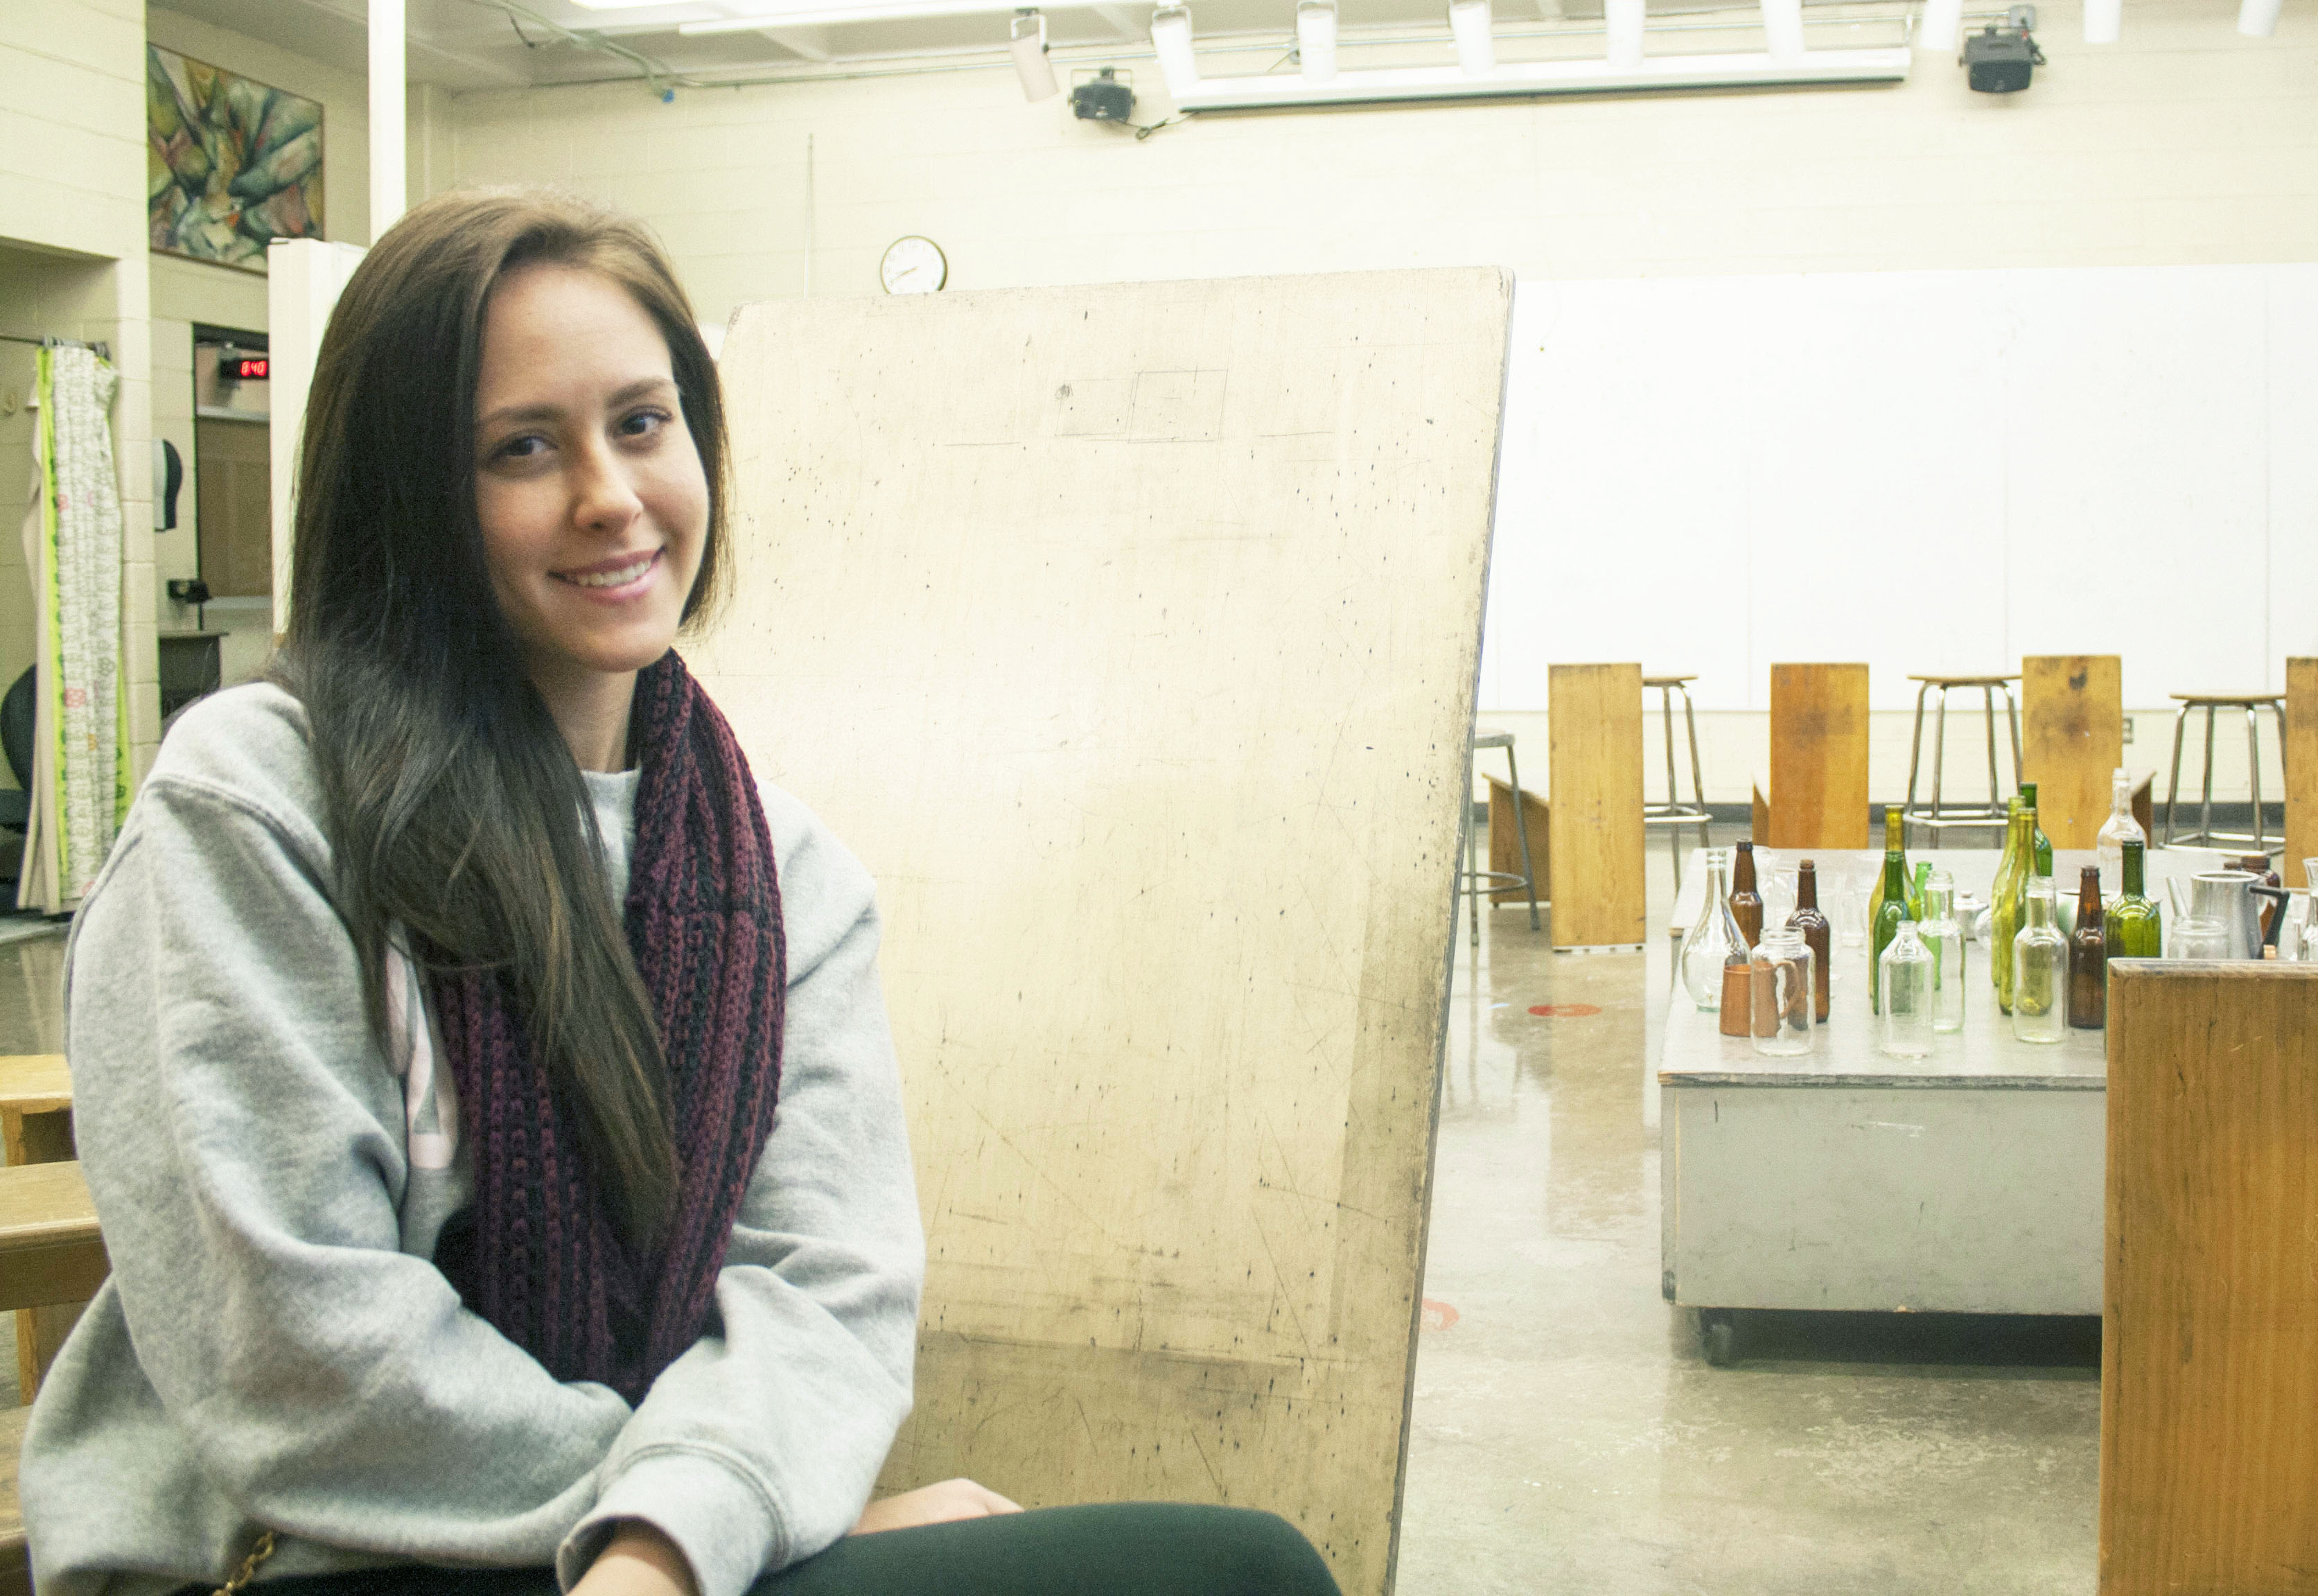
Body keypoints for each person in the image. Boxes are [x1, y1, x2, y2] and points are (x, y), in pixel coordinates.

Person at [23, 189, 1339, 1596]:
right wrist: (701, 1516)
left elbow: (825, 1295)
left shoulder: (779, 871)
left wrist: (671, 1536)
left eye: (643, 424)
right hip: (297, 1559)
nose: (610, 493)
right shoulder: (261, 803)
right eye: (522, 448)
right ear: (408, 492)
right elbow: (292, 1352)